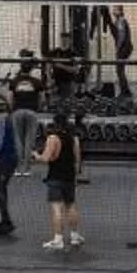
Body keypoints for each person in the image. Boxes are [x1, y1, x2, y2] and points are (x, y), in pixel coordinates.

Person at [0, 91, 38, 238]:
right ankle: (5, 220)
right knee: (0, 188)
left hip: (4, 158)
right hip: (12, 157)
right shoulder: (10, 120)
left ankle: (6, 220)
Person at [39, 106, 84, 251]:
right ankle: (75, 236)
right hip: (69, 176)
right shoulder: (73, 138)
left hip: (55, 177)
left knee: (56, 208)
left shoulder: (53, 138)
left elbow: (46, 158)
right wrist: (75, 176)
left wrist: (35, 155)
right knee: (71, 205)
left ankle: (58, 239)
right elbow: (77, 159)